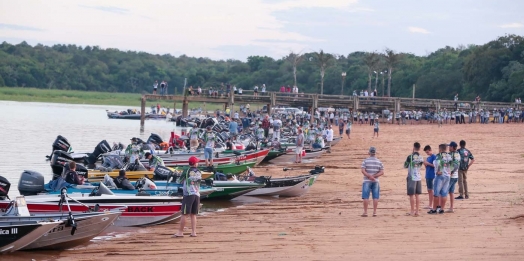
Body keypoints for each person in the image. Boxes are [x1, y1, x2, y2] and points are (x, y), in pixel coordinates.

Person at [173, 156, 201, 238]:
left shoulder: (187, 170)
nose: (198, 163)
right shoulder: (199, 171)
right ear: (195, 163)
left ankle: (180, 232)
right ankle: (193, 232)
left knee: (184, 214)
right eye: (197, 162)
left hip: (188, 194)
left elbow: (179, 181)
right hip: (197, 194)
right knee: (193, 214)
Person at [361, 147, 384, 217]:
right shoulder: (379, 161)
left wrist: (369, 176)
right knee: (375, 197)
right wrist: (374, 176)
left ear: (369, 153)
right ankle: (374, 212)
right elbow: (382, 172)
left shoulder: (365, 161)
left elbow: (363, 170)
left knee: (365, 197)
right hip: (375, 181)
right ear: (375, 153)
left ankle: (365, 212)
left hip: (367, 180)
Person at [428, 144, 451, 214]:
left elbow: (436, 163)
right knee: (444, 193)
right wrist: (449, 171)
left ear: (440, 149)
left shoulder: (439, 155)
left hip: (440, 175)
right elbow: (453, 164)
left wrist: (438, 170)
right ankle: (442, 209)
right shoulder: (449, 156)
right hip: (447, 176)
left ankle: (434, 209)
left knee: (436, 193)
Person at [404, 142, 424, 216]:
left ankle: (412, 211)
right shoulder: (421, 157)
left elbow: (405, 165)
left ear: (413, 147)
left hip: (412, 176)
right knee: (417, 195)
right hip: (418, 176)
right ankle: (417, 211)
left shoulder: (410, 156)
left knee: (411, 195)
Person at [447, 141, 461, 213]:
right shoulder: (458, 154)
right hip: (456, 176)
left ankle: (441, 207)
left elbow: (455, 165)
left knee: (445, 192)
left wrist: (451, 172)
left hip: (451, 176)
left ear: (452, 147)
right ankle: (451, 207)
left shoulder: (451, 154)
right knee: (451, 192)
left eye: (449, 146)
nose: (448, 147)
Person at [423, 145, 436, 210]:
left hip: (432, 175)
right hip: (427, 175)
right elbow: (427, 167)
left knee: (431, 190)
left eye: (428, 152)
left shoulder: (434, 157)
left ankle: (431, 204)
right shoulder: (428, 158)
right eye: (426, 152)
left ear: (430, 150)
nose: (427, 153)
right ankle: (430, 204)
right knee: (429, 190)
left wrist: (428, 163)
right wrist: (425, 164)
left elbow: (435, 165)